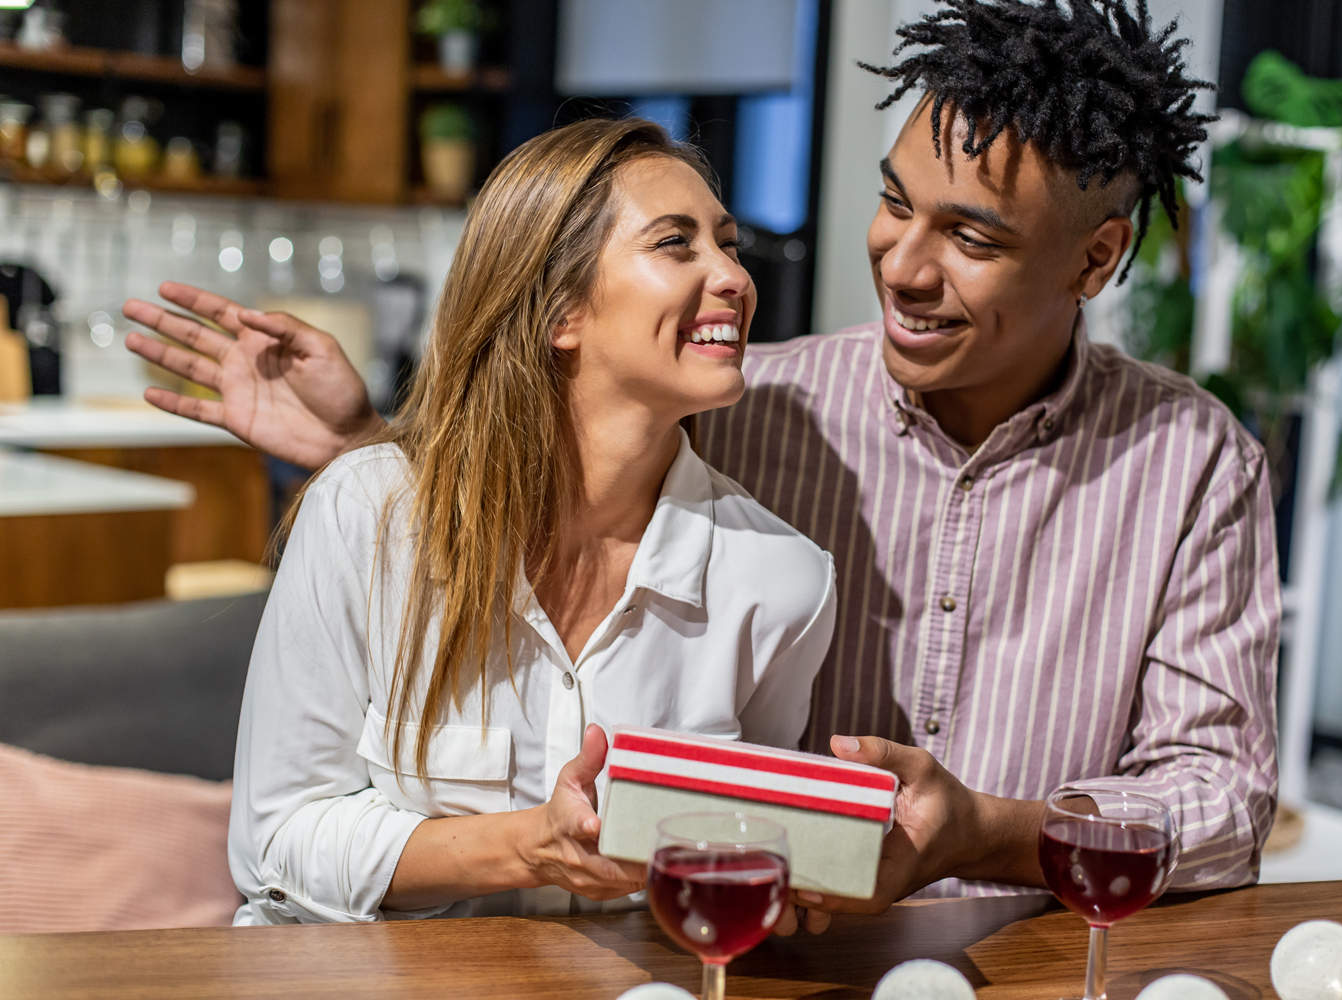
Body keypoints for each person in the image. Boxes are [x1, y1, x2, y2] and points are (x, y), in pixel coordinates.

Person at [125, 0, 1278, 928]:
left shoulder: (1195, 465)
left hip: (1024, 944)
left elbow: (1221, 795)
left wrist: (986, 830)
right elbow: (553, 458)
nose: (903, 265)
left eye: (971, 237)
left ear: (1097, 256)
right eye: (892, 204)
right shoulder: (753, 396)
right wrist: (368, 444)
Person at [212, 118, 836, 924]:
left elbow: (740, 859)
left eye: (729, 243)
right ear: (559, 313)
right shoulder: (366, 511)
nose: (733, 278)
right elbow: (275, 844)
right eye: (676, 244)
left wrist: (790, 885)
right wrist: (526, 846)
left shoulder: (782, 579)